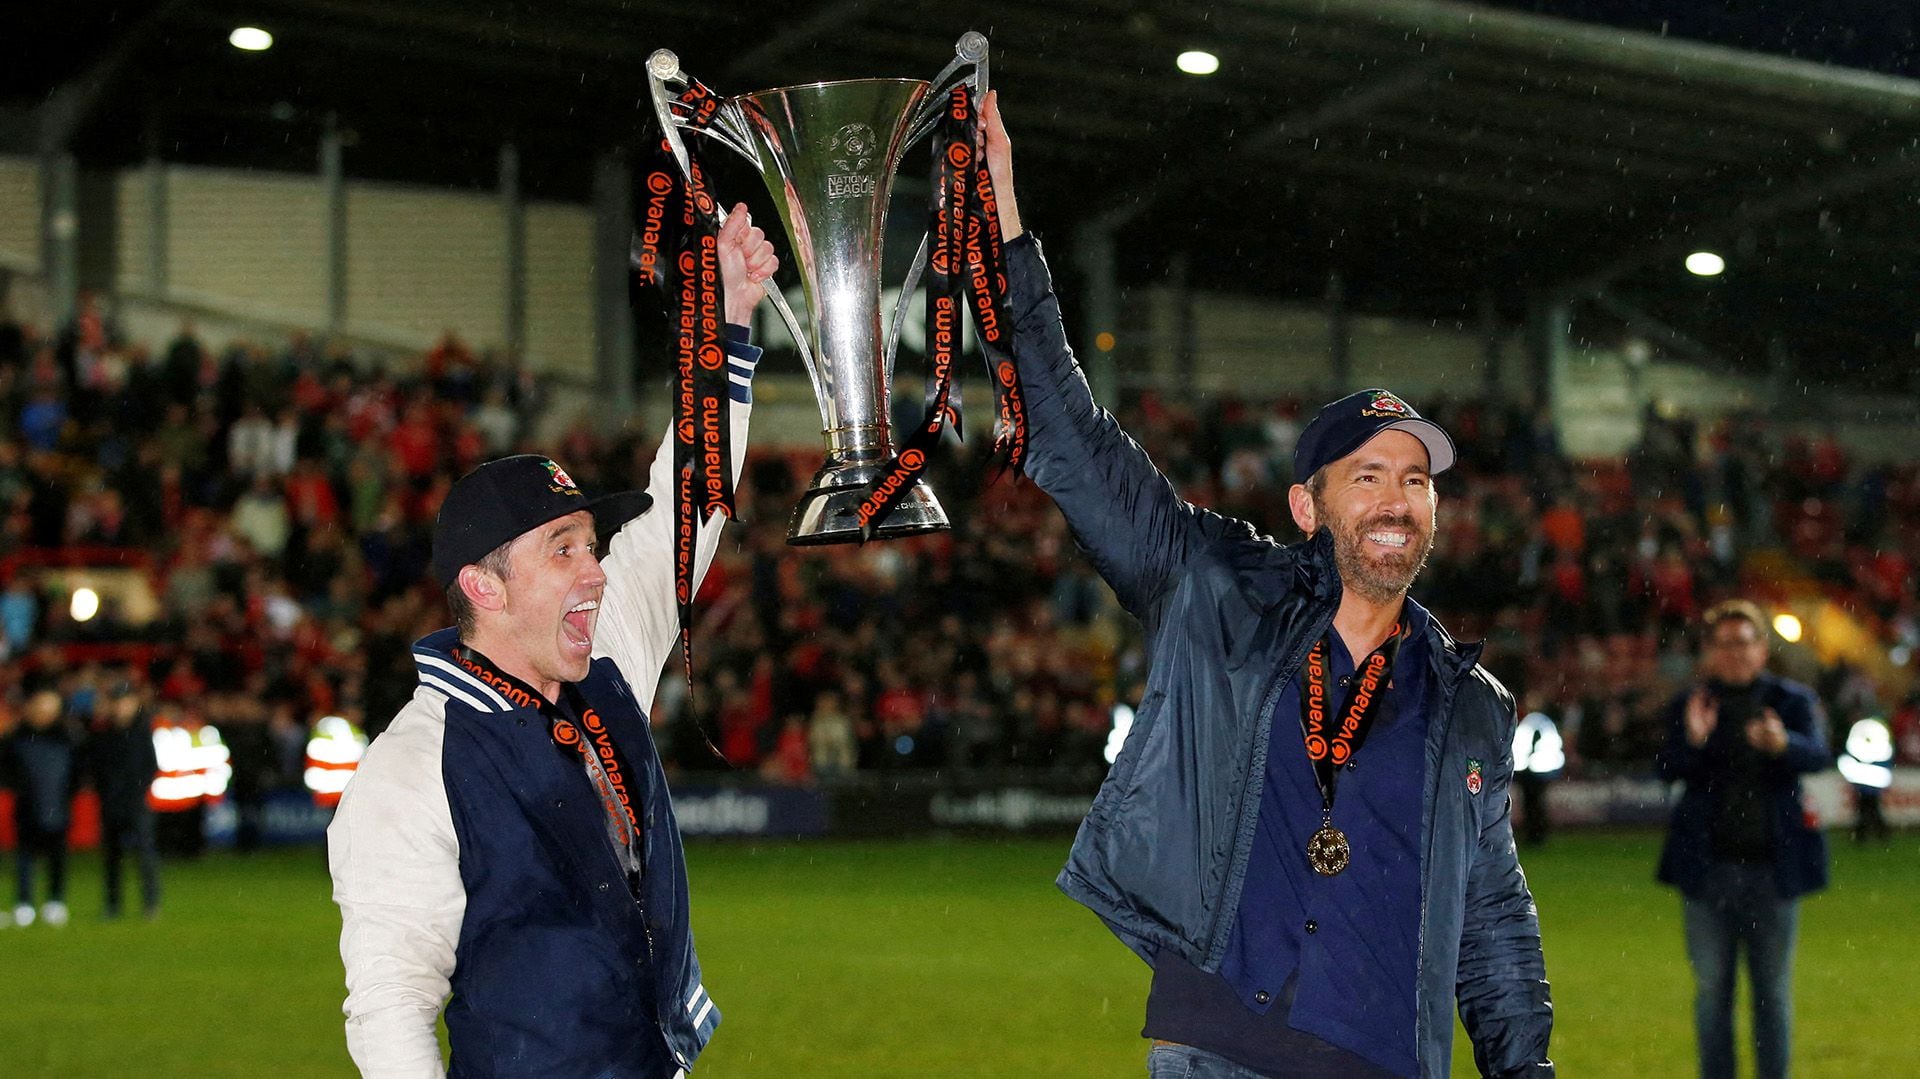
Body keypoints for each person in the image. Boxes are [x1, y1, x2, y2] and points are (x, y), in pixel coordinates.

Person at [980, 92, 1553, 1078]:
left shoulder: (1471, 705)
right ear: (1303, 504)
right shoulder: (1217, 596)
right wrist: (1002, 216)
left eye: (1416, 479)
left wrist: (1524, 1065)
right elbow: (1073, 441)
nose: (1397, 498)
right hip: (1223, 1051)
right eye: (1367, 474)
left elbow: (1491, 911)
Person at [327, 204, 777, 1078]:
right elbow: (389, 1007)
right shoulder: (413, 767)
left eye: (591, 544)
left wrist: (724, 327)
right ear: (482, 586)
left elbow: (684, 504)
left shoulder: (600, 662)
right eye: (562, 549)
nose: (595, 570)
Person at [1656, 599, 1830, 1079]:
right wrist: (1693, 739)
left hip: (1773, 871)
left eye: (1745, 642)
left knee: (1772, 992)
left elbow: (1818, 756)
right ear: (1709, 652)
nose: (1736, 653)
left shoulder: (1791, 701)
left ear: (1762, 649)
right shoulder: (1693, 704)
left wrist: (1784, 745)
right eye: (1725, 644)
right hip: (1708, 871)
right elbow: (1665, 769)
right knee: (1713, 992)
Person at [84, 671, 162, 919]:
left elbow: (151, 765)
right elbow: (94, 766)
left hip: (136, 802)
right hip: (111, 802)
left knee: (145, 856)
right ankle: (112, 905)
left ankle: (150, 904)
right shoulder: (102, 733)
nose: (122, 707)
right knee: (112, 858)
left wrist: (138, 790)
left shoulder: (141, 731)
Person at [5, 689, 75, 928]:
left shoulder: (67, 738)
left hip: (59, 805)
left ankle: (55, 902)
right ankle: (24, 903)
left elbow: (75, 774)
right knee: (25, 856)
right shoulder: (17, 738)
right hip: (27, 807)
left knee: (57, 857)